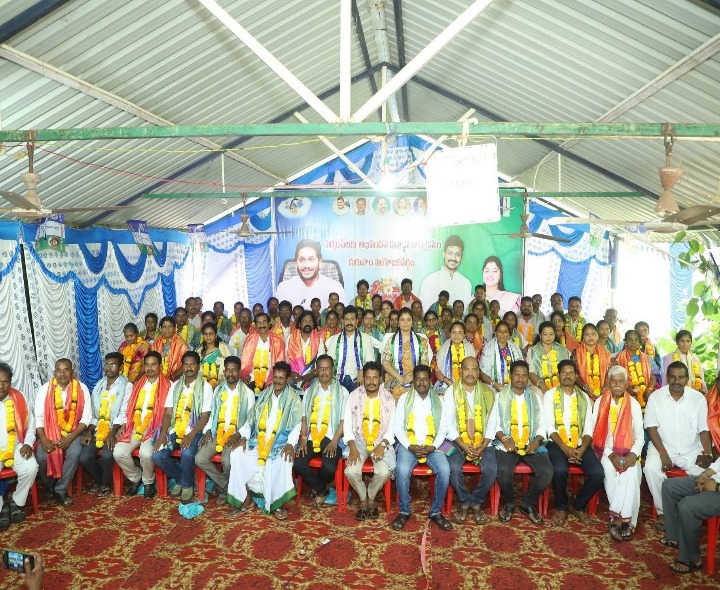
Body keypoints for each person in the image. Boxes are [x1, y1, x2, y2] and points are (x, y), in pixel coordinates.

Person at [226, 361, 301, 519]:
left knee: (284, 461)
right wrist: (244, 436)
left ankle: (277, 504)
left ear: (287, 379)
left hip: (280, 444)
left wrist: (290, 444)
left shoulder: (294, 399)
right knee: (237, 454)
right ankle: (246, 500)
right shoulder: (264, 395)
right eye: (276, 377)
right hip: (258, 441)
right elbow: (251, 421)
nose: (277, 381)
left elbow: (297, 425)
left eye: (281, 378)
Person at [644, 361, 712, 532]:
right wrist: (662, 452)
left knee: (707, 474)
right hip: (662, 446)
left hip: (691, 449)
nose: (676, 381)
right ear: (667, 378)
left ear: (687, 379)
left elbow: (703, 429)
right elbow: (651, 428)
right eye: (673, 377)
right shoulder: (655, 397)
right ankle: (663, 511)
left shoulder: (698, 399)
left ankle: (690, 510)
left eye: (681, 377)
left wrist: (708, 453)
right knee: (650, 469)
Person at [392, 364, 453, 531]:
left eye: (425, 379)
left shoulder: (439, 400)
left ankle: (436, 512)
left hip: (433, 445)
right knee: (402, 470)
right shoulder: (404, 399)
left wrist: (433, 446)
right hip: (409, 445)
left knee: (445, 470)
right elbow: (398, 427)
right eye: (418, 379)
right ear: (413, 381)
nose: (421, 382)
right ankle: (404, 510)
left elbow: (444, 428)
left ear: (430, 381)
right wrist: (409, 446)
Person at [544, 360, 604, 526]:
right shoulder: (550, 395)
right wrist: (565, 448)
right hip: (557, 442)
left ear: (576, 376)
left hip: (579, 444)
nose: (567, 376)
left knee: (598, 473)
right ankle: (562, 506)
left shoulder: (584, 398)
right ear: (558, 375)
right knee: (559, 470)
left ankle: (578, 505)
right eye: (564, 372)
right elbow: (549, 426)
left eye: (571, 373)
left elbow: (589, 427)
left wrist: (582, 449)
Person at [494, 361, 552, 525]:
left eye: (524, 375)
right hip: (507, 443)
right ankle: (510, 502)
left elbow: (543, 423)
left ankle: (527, 503)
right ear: (510, 376)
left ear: (528, 378)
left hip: (531, 443)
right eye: (517, 375)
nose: (520, 378)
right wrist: (505, 439)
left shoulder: (535, 398)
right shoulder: (500, 396)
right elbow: (494, 423)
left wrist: (537, 440)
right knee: (503, 470)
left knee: (547, 472)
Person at [152, 351, 213, 503]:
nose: (189, 367)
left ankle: (187, 486)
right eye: (186, 364)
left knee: (187, 453)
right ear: (182, 366)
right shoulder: (175, 386)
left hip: (195, 430)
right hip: (175, 429)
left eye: (192, 364)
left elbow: (205, 416)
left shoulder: (206, 387)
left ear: (198, 366)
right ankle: (181, 478)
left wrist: (191, 435)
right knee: (157, 455)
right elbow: (168, 414)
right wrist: (162, 435)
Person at [592, 365, 644, 541]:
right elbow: (596, 434)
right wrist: (610, 454)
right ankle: (625, 520)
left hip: (629, 450)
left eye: (621, 381)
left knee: (631, 471)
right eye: (613, 381)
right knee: (608, 470)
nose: (617, 385)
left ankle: (620, 518)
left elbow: (639, 435)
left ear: (626, 384)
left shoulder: (634, 404)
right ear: (608, 383)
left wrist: (633, 453)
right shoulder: (600, 403)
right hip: (605, 451)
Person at [445, 357, 498, 525]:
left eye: (474, 369)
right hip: (456, 441)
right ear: (460, 371)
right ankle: (463, 501)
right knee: (452, 467)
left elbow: (493, 422)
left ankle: (475, 501)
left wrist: (483, 445)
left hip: (484, 442)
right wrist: (462, 444)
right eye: (466, 369)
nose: (470, 373)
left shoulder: (489, 393)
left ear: (479, 372)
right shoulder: (451, 391)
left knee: (491, 469)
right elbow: (448, 422)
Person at [195, 356, 255, 505]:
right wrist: (208, 431)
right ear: (224, 371)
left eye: (234, 370)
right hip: (217, 431)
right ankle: (227, 486)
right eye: (228, 370)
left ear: (239, 372)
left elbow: (250, 420)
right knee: (199, 458)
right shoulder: (218, 390)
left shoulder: (247, 393)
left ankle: (229, 490)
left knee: (227, 460)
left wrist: (238, 434)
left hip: (235, 434)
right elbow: (212, 414)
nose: (230, 373)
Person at [113, 351, 171, 498]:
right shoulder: (137, 384)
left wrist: (163, 432)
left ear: (160, 366)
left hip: (155, 429)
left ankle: (148, 482)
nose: (150, 368)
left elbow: (170, 413)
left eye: (153, 364)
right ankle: (135, 477)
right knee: (118, 452)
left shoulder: (169, 385)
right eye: (147, 365)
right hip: (134, 427)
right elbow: (129, 408)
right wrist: (124, 425)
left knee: (145, 454)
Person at [34, 359, 91, 506]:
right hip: (50, 433)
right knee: (41, 457)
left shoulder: (82, 388)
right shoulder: (44, 390)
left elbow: (86, 418)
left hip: (74, 432)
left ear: (72, 372)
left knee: (75, 453)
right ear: (54, 372)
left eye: (66, 370)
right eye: (59, 370)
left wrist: (70, 438)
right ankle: (50, 486)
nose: (62, 374)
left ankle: (60, 489)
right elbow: (38, 418)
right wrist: (43, 439)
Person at [343, 361, 396, 521]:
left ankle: (371, 497)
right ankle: (363, 498)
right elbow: (347, 424)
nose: (371, 382)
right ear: (363, 378)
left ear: (381, 379)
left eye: (375, 378)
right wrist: (352, 446)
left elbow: (391, 429)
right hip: (358, 440)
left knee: (383, 472)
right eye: (368, 378)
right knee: (350, 471)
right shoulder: (354, 396)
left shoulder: (389, 399)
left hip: (380, 440)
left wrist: (383, 445)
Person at [294, 355, 348, 508]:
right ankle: (322, 489)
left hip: (332, 436)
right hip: (312, 436)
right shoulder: (310, 391)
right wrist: (303, 439)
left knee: (329, 467)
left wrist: (335, 441)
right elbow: (304, 418)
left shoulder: (342, 392)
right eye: (321, 369)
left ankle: (319, 486)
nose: (324, 372)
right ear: (316, 371)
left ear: (333, 370)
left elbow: (344, 421)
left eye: (327, 368)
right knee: (298, 463)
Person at [79, 352, 132, 499]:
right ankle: (100, 478)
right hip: (98, 429)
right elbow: (95, 414)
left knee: (108, 455)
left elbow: (123, 413)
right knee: (84, 457)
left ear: (120, 367)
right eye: (107, 364)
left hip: (116, 429)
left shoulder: (127, 386)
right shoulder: (99, 386)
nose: (108, 368)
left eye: (113, 364)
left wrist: (112, 433)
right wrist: (89, 432)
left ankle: (104, 484)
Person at [661, 459, 720, 574]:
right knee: (669, 486)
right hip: (713, 481)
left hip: (717, 489)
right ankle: (676, 537)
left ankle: (691, 559)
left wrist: (717, 487)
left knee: (688, 506)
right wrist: (705, 475)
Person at [0, 363, 37, 529]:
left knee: (31, 468)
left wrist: (28, 443)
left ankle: (16, 500)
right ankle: (1, 505)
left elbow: (30, 425)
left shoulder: (19, 398)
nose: (1, 386)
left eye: (5, 382)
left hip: (16, 447)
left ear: (10, 382)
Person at [276, 240, 345, 309]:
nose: (306, 265)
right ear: (296, 263)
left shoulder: (335, 287)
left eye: (311, 259)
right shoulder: (284, 288)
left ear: (320, 262)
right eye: (302, 260)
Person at [324, 306, 375, 393]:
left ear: (357, 321)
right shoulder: (335, 339)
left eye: (352, 319)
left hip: (358, 380)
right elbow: (329, 362)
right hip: (338, 379)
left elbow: (370, 362)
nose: (349, 322)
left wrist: (362, 371)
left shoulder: (366, 338)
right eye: (346, 319)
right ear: (342, 321)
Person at [381, 308, 430, 401]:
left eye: (408, 319)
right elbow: (385, 363)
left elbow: (425, 364)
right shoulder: (391, 341)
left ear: (412, 323)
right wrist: (399, 377)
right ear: (398, 323)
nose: (405, 322)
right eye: (402, 319)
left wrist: (412, 376)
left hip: (416, 378)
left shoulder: (421, 342)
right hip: (394, 377)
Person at [418, 235, 472, 308]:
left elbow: (466, 312)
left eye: (457, 254)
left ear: (462, 258)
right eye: (450, 253)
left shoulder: (466, 284)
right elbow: (424, 311)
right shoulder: (429, 281)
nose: (453, 258)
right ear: (444, 255)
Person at [240, 313, 286, 395]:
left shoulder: (277, 341)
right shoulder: (250, 340)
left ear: (269, 324)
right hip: (252, 377)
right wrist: (246, 374)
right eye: (259, 322)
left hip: (271, 378)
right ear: (255, 325)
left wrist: (274, 379)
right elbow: (244, 362)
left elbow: (280, 364)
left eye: (264, 321)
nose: (262, 325)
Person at [613, 329, 657, 411]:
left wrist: (649, 389)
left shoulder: (647, 359)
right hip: (624, 396)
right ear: (625, 341)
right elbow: (613, 378)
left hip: (645, 395)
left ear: (640, 342)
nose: (633, 342)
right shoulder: (616, 358)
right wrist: (626, 388)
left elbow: (653, 377)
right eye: (630, 339)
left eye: (636, 340)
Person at [527, 321, 571, 395]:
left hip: (560, 384)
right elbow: (531, 373)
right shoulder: (532, 351)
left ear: (554, 335)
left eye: (551, 334)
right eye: (545, 334)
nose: (548, 337)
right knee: (538, 394)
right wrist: (542, 386)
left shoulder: (563, 350)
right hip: (539, 386)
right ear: (540, 335)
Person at [480, 321, 525, 393]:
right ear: (496, 333)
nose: (502, 334)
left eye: (505, 332)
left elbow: (521, 368)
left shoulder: (515, 347)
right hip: (493, 386)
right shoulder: (488, 348)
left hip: (513, 385)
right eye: (500, 331)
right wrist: (494, 384)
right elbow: (482, 373)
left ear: (509, 334)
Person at [572, 323, 611, 401]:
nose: (590, 337)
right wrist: (585, 388)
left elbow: (609, 372)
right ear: (583, 337)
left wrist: (604, 388)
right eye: (587, 334)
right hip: (581, 391)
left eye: (593, 334)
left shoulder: (606, 353)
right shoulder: (576, 353)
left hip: (603, 391)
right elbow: (574, 374)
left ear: (597, 336)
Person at [435, 322, 476, 392]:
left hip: (466, 383)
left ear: (464, 335)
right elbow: (437, 372)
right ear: (450, 334)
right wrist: (447, 380)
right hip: (446, 383)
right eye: (454, 332)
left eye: (460, 333)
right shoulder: (444, 348)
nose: (456, 335)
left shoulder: (469, 348)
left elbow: (474, 371)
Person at [287, 311, 321, 389]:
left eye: (310, 321)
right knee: (287, 382)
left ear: (313, 324)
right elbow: (286, 359)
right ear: (299, 324)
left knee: (317, 383)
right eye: (305, 321)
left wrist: (312, 375)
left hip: (312, 376)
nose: (307, 323)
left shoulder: (318, 339)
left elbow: (321, 361)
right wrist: (291, 373)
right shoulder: (291, 338)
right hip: (293, 375)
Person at [198, 322, 233, 389]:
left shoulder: (222, 347)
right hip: (202, 382)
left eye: (211, 334)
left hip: (221, 382)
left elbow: (230, 364)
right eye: (206, 334)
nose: (208, 337)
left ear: (216, 335)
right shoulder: (200, 349)